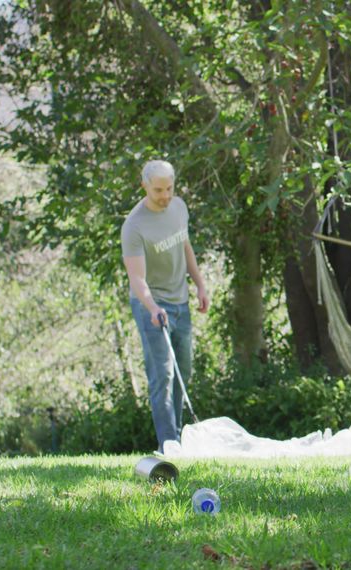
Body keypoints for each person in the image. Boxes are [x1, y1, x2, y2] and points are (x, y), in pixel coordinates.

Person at [121, 160, 209, 452]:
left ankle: (178, 441)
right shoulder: (134, 226)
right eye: (158, 190)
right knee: (163, 376)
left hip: (181, 302)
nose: (165, 195)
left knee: (183, 372)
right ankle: (168, 445)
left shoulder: (179, 208)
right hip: (152, 307)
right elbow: (137, 279)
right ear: (144, 185)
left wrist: (200, 285)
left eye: (169, 188)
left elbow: (185, 248)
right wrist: (152, 307)